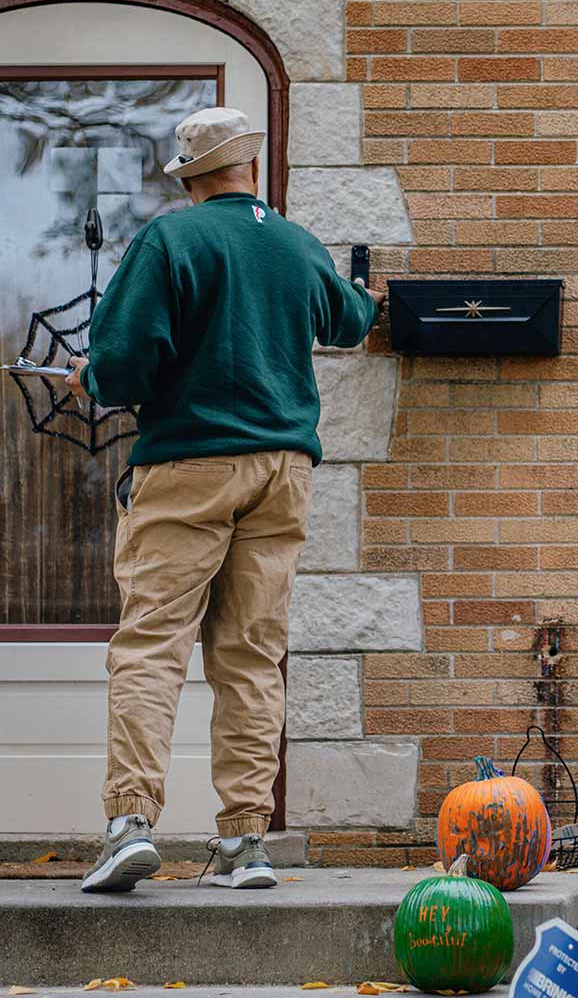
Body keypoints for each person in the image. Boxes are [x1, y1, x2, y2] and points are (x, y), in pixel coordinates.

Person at [66, 107, 384, 892]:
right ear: (249, 168)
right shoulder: (295, 243)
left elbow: (124, 361)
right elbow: (348, 322)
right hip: (283, 473)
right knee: (250, 656)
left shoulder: (173, 241)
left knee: (153, 645)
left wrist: (93, 377)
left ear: (190, 176)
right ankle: (246, 843)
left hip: (188, 466)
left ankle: (130, 822)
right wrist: (367, 294)